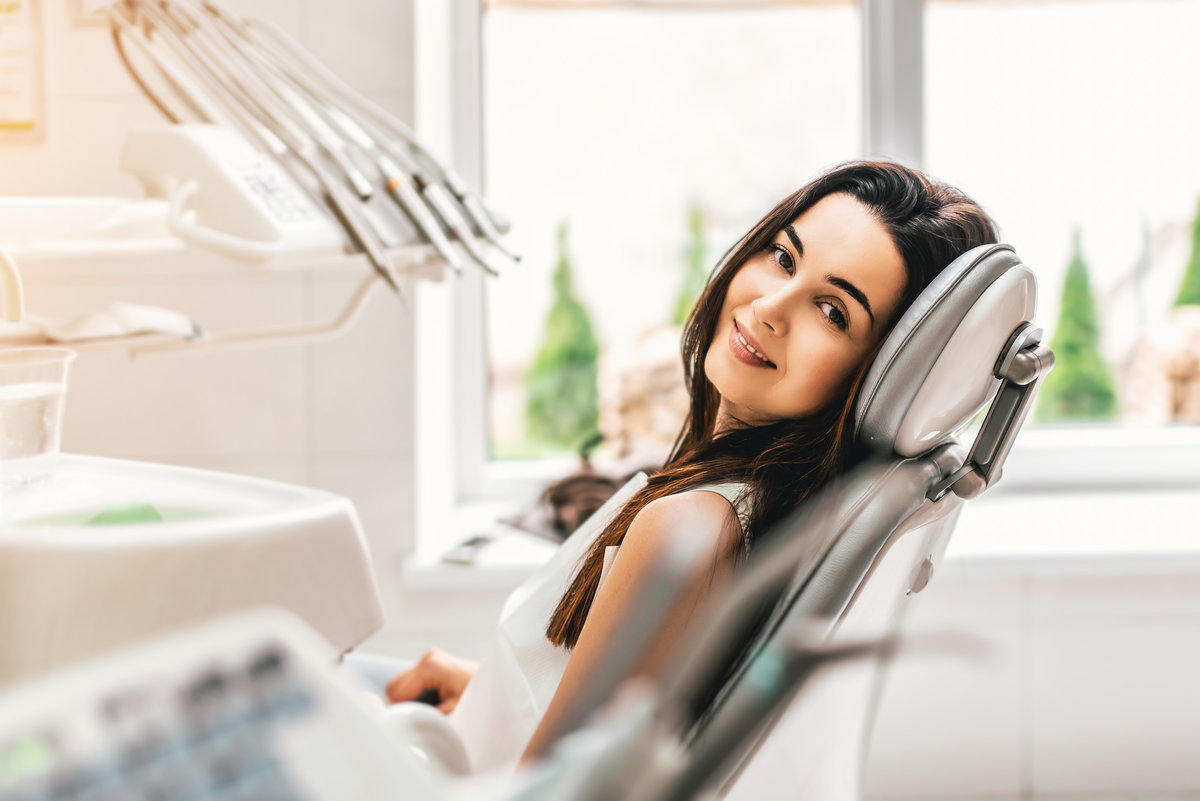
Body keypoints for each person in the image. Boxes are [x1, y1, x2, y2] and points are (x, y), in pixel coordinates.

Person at [383, 160, 999, 772]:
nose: (769, 308)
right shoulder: (759, 510)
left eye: (833, 311)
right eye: (784, 258)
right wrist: (488, 692)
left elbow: (552, 795)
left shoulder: (690, 531)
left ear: (877, 375)